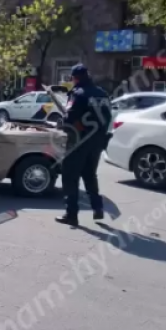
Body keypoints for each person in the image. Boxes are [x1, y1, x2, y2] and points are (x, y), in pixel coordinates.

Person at [56, 64, 113, 226]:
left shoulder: (78, 94)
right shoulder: (102, 93)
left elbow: (70, 118)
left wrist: (62, 123)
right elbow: (108, 117)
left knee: (70, 176)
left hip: (78, 141)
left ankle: (71, 215)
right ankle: (97, 208)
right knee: (90, 175)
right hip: (97, 142)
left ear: (75, 78)